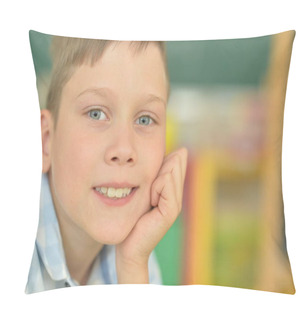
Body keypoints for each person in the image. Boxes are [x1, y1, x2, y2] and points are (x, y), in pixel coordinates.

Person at [26, 34, 188, 293]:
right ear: (45, 141)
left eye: (145, 120)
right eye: (96, 113)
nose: (124, 149)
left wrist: (133, 265)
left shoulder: (135, 249)